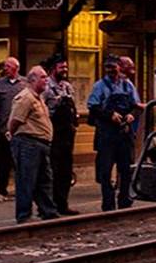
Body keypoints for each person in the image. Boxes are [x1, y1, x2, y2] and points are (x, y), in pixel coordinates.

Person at [87, 55, 142, 211]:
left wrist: (132, 114)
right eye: (108, 68)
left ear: (119, 67)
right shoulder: (99, 86)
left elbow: (136, 105)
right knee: (105, 171)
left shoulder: (127, 85)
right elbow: (93, 106)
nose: (111, 71)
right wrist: (110, 115)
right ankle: (108, 203)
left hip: (124, 133)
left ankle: (125, 199)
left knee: (126, 169)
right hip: (107, 133)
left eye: (113, 67)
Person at [8, 66, 60, 223]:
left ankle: (48, 210)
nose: (46, 81)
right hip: (28, 143)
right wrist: (13, 134)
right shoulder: (26, 98)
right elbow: (15, 121)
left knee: (44, 179)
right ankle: (24, 214)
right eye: (43, 77)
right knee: (26, 179)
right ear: (32, 80)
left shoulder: (39, 97)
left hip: (41, 143)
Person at [43, 55, 80, 215]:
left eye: (65, 67)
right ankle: (49, 205)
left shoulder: (67, 87)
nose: (64, 70)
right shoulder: (46, 88)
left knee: (65, 170)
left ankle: (63, 203)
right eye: (61, 67)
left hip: (67, 134)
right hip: (53, 133)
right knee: (53, 170)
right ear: (53, 68)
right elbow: (43, 109)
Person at [0, 57, 22, 198]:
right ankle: (1, 190)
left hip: (21, 129)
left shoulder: (25, 83)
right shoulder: (0, 84)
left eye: (8, 67)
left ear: (16, 68)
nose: (5, 69)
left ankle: (21, 189)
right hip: (4, 128)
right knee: (3, 161)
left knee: (20, 161)